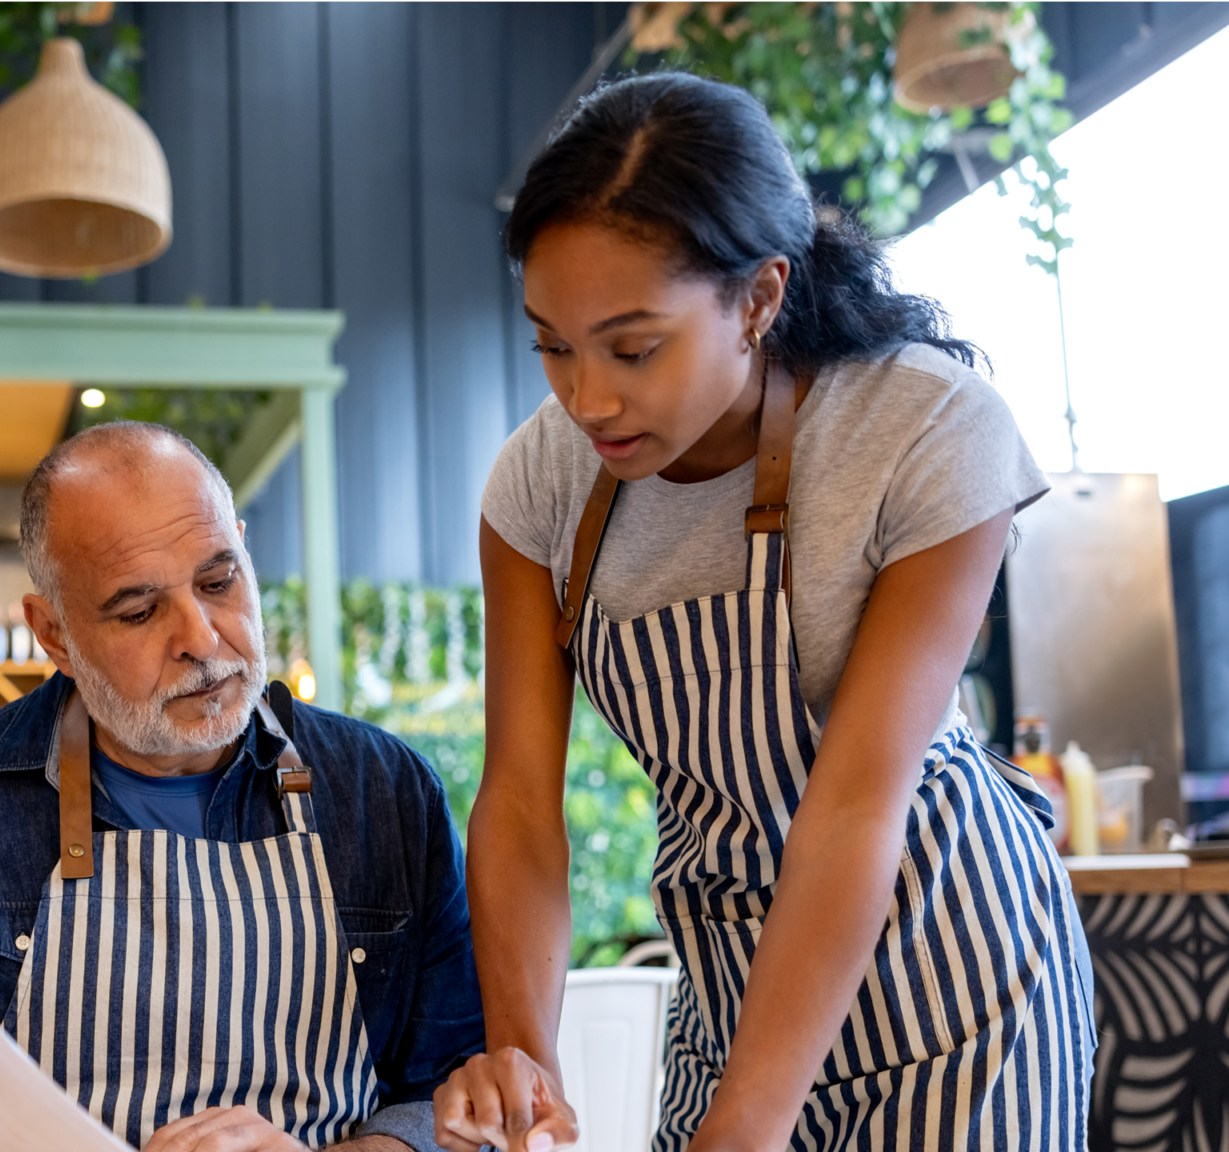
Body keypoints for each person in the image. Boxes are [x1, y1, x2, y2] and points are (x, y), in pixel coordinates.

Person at [436, 73, 1094, 1152]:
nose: (584, 398)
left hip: (957, 990)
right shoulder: (538, 488)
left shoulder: (925, 431)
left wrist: (742, 1130)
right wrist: (526, 1069)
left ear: (757, 298)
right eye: (549, 344)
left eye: (632, 346)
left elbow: (850, 808)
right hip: (730, 992)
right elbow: (515, 804)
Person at [0, 422, 483, 1152]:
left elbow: (455, 1091)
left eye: (219, 580)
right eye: (139, 612)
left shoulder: (386, 793)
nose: (201, 637)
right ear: (54, 633)